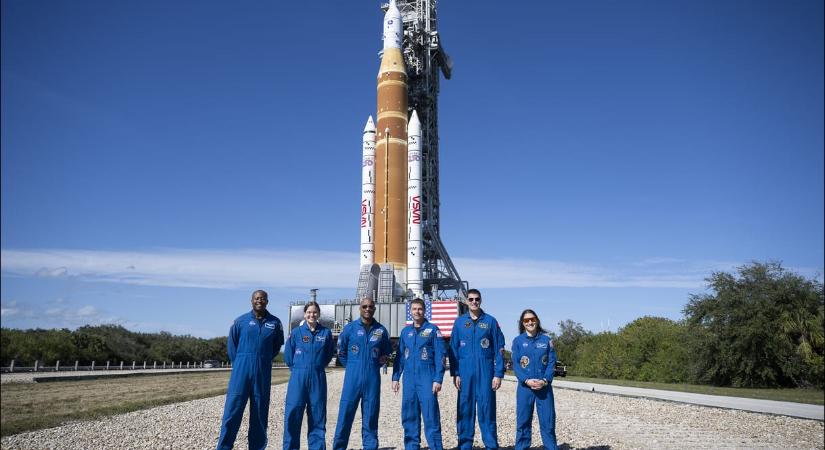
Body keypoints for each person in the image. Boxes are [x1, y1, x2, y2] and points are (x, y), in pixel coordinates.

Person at [217, 290, 284, 450]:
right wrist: (241, 362)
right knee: (232, 413)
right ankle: (224, 447)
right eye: (256, 298)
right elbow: (232, 346)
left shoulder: (275, 323)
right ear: (251, 301)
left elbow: (276, 346)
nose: (259, 300)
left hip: (262, 373)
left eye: (262, 298)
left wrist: (263, 358)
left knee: (260, 414)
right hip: (241, 372)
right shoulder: (240, 321)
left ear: (267, 301)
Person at [332, 297, 393, 450]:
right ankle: (339, 447)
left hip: (372, 379)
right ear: (360, 308)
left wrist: (375, 364)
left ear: (374, 309)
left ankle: (370, 447)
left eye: (371, 306)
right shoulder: (350, 328)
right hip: (352, 379)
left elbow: (386, 352)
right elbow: (341, 351)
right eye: (364, 306)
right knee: (345, 416)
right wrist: (352, 367)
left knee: (371, 417)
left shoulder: (381, 330)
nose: (367, 309)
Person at [449, 288, 506, 450]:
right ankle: (465, 445)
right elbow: (453, 349)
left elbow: (499, 348)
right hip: (465, 373)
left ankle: (491, 445)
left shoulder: (490, 321)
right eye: (471, 299)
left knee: (487, 410)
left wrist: (498, 374)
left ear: (481, 300)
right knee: (465, 410)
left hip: (486, 372)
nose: (474, 302)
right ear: (466, 301)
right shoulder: (459, 322)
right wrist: (456, 373)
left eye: (477, 299)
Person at [392, 298, 446, 450]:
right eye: (414, 309)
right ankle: (411, 446)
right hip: (409, 380)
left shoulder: (433, 330)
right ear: (410, 311)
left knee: (431, 416)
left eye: (420, 309)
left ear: (424, 310)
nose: (417, 312)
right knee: (409, 416)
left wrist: (438, 379)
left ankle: (435, 446)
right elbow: (400, 356)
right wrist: (396, 377)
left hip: (427, 378)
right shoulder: (405, 332)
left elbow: (440, 356)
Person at [283, 301, 335, 450]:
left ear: (318, 314)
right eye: (309, 312)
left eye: (314, 312)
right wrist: (299, 368)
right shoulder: (296, 333)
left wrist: (317, 366)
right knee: (293, 415)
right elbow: (288, 356)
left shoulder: (325, 333)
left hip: (317, 378)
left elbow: (328, 354)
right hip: (298, 378)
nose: (312, 315)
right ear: (305, 314)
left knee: (317, 416)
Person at [511, 309, 558, 450]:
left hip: (544, 388)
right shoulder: (518, 341)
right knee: (523, 422)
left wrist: (545, 380)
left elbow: (551, 363)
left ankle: (551, 447)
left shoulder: (546, 341)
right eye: (526, 320)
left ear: (537, 320)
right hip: (525, 388)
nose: (530, 322)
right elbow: (516, 364)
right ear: (523, 323)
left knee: (548, 422)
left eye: (532, 319)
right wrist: (526, 380)